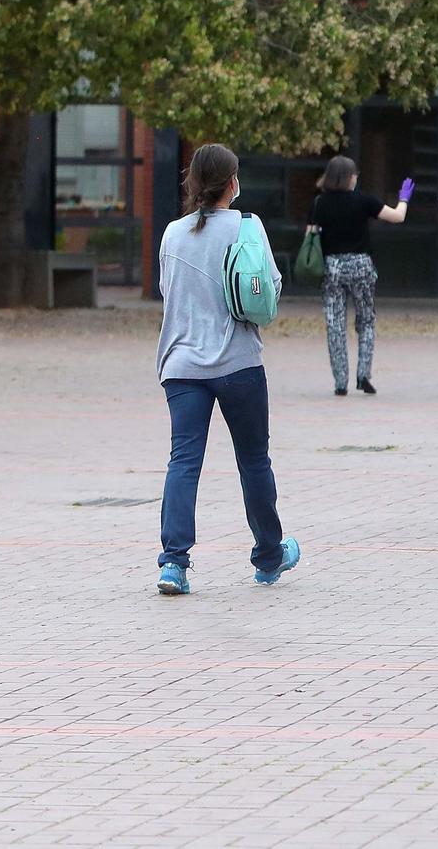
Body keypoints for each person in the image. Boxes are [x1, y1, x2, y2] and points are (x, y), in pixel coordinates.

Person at [152, 144, 301, 594]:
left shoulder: (172, 235)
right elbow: (270, 292)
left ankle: (173, 563)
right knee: (254, 461)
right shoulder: (248, 228)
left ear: (193, 182)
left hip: (181, 365)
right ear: (232, 183)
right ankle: (269, 556)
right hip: (239, 363)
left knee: (184, 461)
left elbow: (167, 292)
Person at [309, 156, 408, 396]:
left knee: (335, 323)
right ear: (349, 177)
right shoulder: (364, 200)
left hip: (332, 267)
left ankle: (340, 381)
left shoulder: (320, 202)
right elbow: (397, 217)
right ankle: (363, 375)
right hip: (361, 266)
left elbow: (311, 234)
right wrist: (404, 198)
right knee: (366, 320)